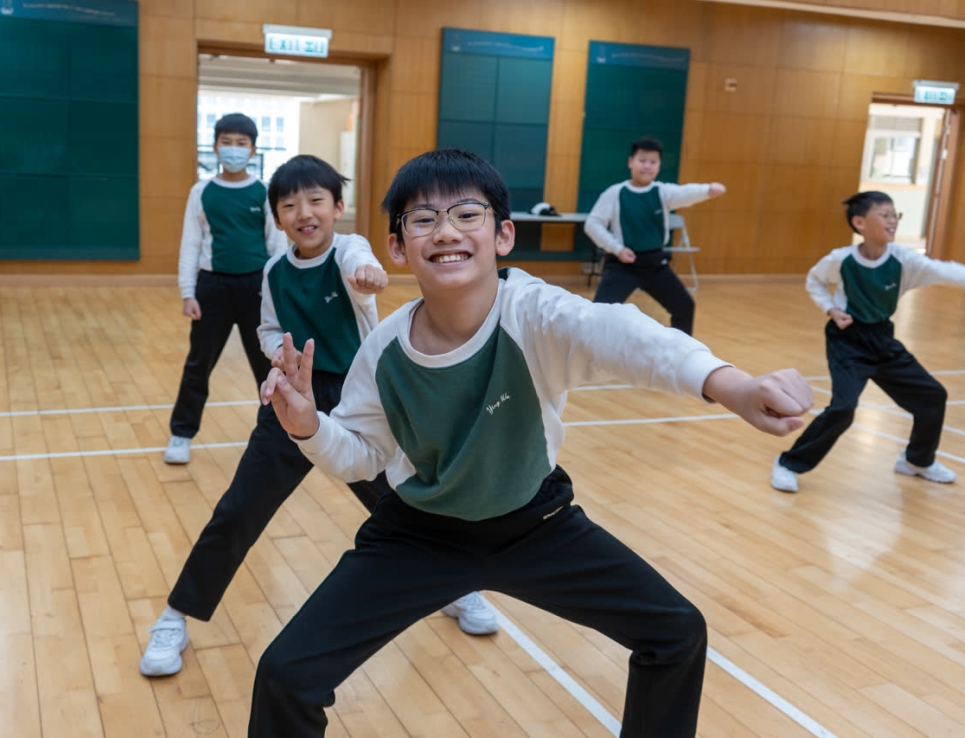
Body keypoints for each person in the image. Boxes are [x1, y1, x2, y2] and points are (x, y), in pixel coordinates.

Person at [252, 149, 814, 737]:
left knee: (676, 633)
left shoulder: (533, 312)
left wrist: (731, 385)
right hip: (417, 534)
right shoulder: (384, 352)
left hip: (536, 526)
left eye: (467, 214)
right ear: (397, 247)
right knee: (286, 674)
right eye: (423, 219)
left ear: (503, 235)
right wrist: (308, 426)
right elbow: (361, 454)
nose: (446, 231)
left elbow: (621, 333)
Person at [140, 155, 496, 679]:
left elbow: (359, 260)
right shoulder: (273, 271)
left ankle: (455, 586)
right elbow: (266, 329)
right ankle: (176, 616)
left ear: (337, 206)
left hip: (360, 399)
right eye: (289, 205)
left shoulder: (350, 251)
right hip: (295, 398)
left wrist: (367, 273)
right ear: (277, 218)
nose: (304, 213)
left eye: (315, 201)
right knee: (238, 511)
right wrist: (277, 354)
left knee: (405, 503)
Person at [771, 191, 961, 493]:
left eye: (894, 215)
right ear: (859, 223)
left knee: (933, 397)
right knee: (843, 408)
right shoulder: (840, 259)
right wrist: (831, 309)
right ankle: (788, 463)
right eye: (884, 215)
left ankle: (917, 460)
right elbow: (814, 281)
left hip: (882, 339)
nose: (892, 221)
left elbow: (945, 270)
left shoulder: (904, 260)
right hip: (847, 341)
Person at [164, 113, 288, 465]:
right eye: (227, 142)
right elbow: (190, 244)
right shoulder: (201, 192)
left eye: (241, 143)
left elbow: (277, 246)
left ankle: (278, 435)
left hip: (256, 289)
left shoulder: (264, 192)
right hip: (212, 288)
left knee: (268, 366)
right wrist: (188, 292)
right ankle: (181, 433)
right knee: (198, 365)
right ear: (216, 147)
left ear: (253, 150)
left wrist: (277, 293)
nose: (234, 149)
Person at [584, 136, 726, 335]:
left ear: (659, 165)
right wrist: (617, 249)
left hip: (655, 265)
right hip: (623, 266)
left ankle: (680, 351)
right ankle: (593, 350)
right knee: (599, 314)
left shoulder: (662, 192)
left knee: (684, 306)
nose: (647, 166)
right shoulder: (615, 193)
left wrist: (707, 190)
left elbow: (684, 193)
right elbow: (592, 224)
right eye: (642, 160)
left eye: (653, 162)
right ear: (631, 162)